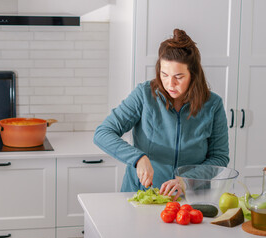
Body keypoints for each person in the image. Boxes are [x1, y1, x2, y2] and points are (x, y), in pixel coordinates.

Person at [94, 29, 229, 200]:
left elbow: (219, 157)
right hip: (142, 194)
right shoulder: (144, 95)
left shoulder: (213, 104)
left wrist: (186, 181)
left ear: (193, 75)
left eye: (178, 77)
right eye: (164, 75)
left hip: (191, 197)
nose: (170, 84)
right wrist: (138, 158)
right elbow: (103, 133)